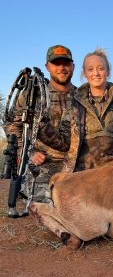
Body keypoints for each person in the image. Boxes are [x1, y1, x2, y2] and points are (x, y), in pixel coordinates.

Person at [4, 44, 76, 201]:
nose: (62, 68)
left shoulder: (82, 96)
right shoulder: (33, 94)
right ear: (47, 67)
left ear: (73, 66)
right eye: (57, 63)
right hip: (41, 162)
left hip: (75, 163)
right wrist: (29, 153)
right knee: (46, 201)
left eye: (66, 63)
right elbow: (12, 126)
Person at [63, 48, 113, 172]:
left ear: (108, 71)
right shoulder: (73, 103)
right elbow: (62, 140)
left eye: (101, 68)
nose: (96, 73)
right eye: (90, 69)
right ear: (84, 73)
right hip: (83, 172)